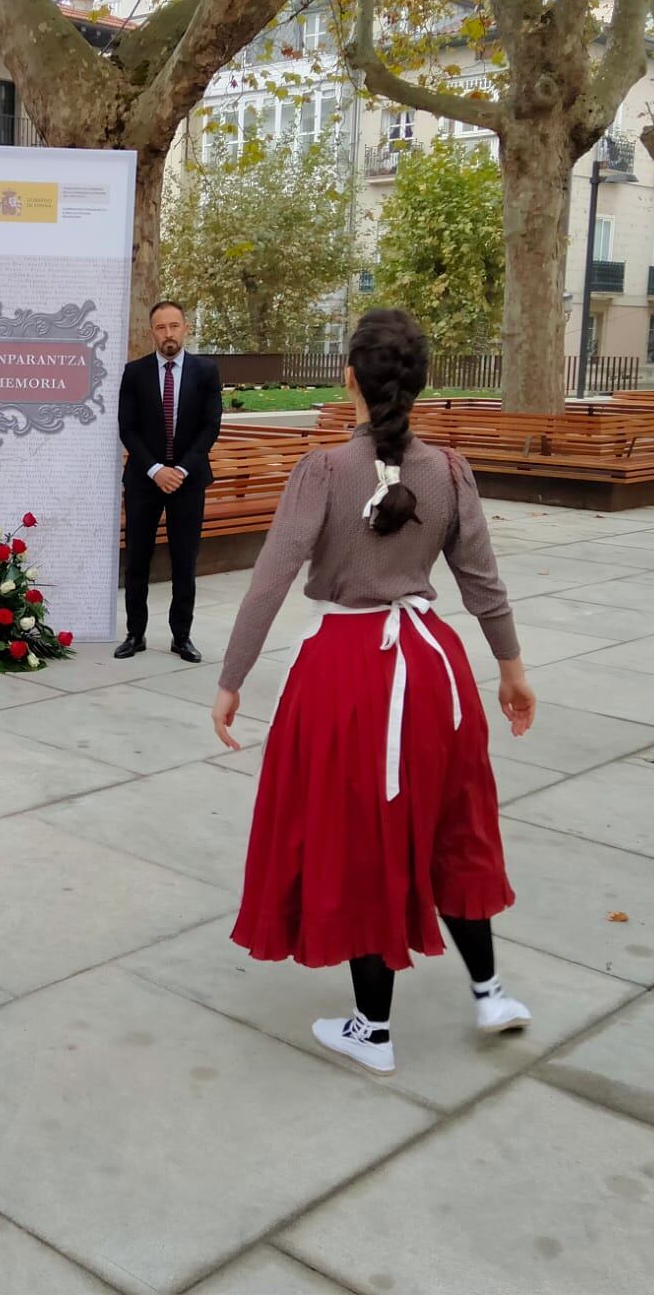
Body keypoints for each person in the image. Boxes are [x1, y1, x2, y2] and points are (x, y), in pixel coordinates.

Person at [209, 309, 539, 1077]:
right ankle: (489, 991)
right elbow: (481, 581)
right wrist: (512, 668)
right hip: (434, 672)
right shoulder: (450, 470)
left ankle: (373, 1027)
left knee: (363, 836)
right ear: (419, 383)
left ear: (348, 378)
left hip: (347, 676)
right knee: (453, 820)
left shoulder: (323, 469)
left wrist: (232, 679)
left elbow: (271, 579)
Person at [116, 300, 222, 662]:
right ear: (152, 333)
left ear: (186, 328)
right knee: (138, 559)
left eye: (174, 326)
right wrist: (155, 470)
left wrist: (180, 470)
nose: (169, 334)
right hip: (145, 480)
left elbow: (211, 427)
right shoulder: (134, 373)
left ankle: (182, 637)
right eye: (161, 328)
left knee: (184, 560)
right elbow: (127, 428)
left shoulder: (206, 372)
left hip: (188, 481)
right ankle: (135, 634)